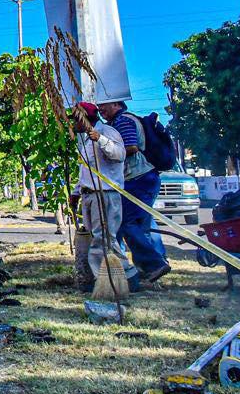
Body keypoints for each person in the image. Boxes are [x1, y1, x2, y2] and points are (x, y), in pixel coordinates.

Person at [99, 99, 171, 284]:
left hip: (138, 178)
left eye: (104, 105)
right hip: (142, 178)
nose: (101, 109)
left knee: (126, 222)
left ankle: (153, 264)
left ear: (116, 104)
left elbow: (131, 147)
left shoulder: (123, 121)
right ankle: (156, 264)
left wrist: (108, 149)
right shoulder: (118, 122)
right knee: (143, 223)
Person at [71, 102, 140, 293]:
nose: (73, 125)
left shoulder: (108, 132)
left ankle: (113, 280)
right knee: (101, 238)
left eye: (75, 120)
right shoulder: (84, 141)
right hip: (90, 195)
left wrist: (100, 139)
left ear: (85, 119)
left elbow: (119, 155)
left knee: (104, 239)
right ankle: (117, 278)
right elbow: (86, 170)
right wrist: (76, 192)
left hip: (105, 194)